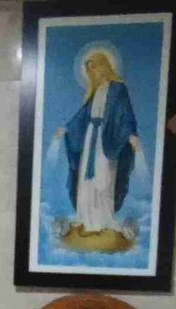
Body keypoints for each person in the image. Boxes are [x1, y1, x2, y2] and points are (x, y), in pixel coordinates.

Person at [56, 50, 141, 232]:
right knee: (86, 178)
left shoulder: (118, 89)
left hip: (107, 138)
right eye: (90, 69)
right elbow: (83, 115)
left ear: (104, 66)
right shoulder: (94, 92)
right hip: (90, 138)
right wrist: (67, 128)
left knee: (104, 177)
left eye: (95, 67)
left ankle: (103, 219)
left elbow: (126, 113)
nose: (94, 72)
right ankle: (85, 218)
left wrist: (131, 134)